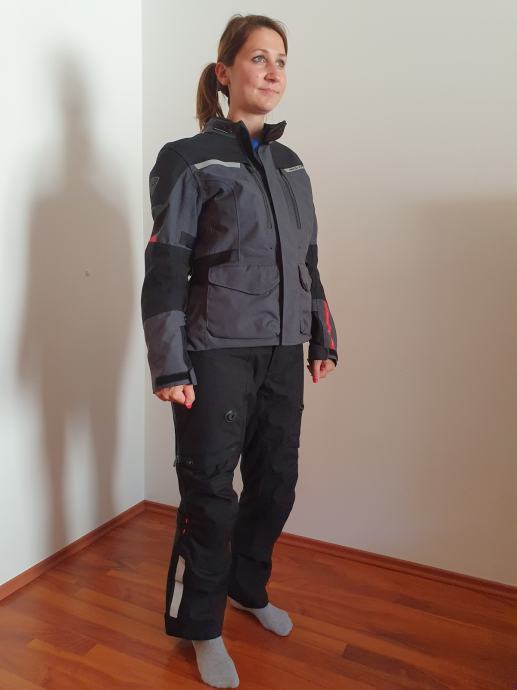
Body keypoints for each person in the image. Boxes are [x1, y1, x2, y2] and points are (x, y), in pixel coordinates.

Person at [141, 13, 338, 689]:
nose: (273, 71)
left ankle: (246, 588)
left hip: (282, 351)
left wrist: (321, 336)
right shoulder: (187, 158)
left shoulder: (292, 166)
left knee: (275, 482)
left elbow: (307, 261)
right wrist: (169, 362)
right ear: (224, 73)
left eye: (281, 59)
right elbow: (166, 265)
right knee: (209, 495)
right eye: (258, 58)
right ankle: (199, 626)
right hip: (213, 352)